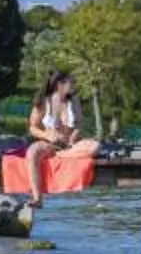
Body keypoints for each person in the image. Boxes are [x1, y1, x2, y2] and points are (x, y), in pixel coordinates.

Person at [22, 71, 93, 217]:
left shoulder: (73, 100)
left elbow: (79, 123)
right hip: (49, 144)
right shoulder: (44, 101)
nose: (73, 86)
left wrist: (73, 137)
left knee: (95, 147)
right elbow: (32, 127)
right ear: (60, 85)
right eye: (70, 83)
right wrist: (47, 135)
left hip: (70, 144)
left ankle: (64, 154)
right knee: (32, 152)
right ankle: (37, 198)